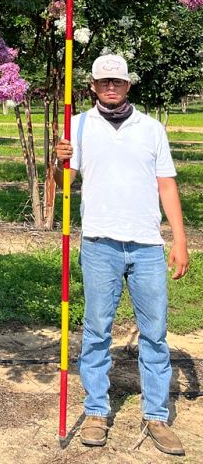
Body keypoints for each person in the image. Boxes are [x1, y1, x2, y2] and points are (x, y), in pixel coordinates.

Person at [55, 54, 189, 456]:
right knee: (97, 331)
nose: (110, 87)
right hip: (99, 245)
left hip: (147, 246)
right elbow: (60, 187)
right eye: (103, 81)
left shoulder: (151, 129)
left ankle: (156, 416)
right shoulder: (76, 127)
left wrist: (179, 240)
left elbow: (166, 186)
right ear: (92, 87)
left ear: (128, 85)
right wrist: (57, 162)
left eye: (118, 81)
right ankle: (96, 411)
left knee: (155, 334)